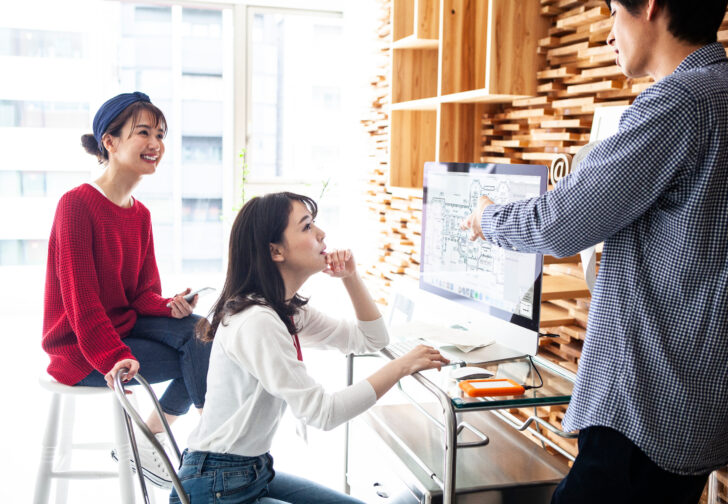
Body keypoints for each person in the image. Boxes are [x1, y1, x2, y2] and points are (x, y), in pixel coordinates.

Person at [461, 0, 728, 502]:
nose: (608, 34)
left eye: (613, 12)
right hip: (698, 412)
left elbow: (558, 224)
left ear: (649, 7)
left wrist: (486, 218)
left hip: (643, 412)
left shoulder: (678, 102)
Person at [171, 192, 449, 504]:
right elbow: (322, 413)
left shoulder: (283, 310)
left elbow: (372, 339)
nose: (321, 233)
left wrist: (351, 277)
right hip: (215, 486)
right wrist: (400, 367)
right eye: (306, 226)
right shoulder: (257, 321)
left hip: (248, 472)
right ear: (275, 251)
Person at [42, 92, 212, 489]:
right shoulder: (76, 205)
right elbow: (82, 304)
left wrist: (169, 305)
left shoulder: (141, 215)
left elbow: (141, 294)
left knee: (205, 334)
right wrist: (113, 355)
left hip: (123, 326)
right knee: (200, 356)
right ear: (110, 141)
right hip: (80, 347)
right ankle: (211, 448)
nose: (156, 143)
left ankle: (156, 440)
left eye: (161, 134)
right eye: (144, 132)